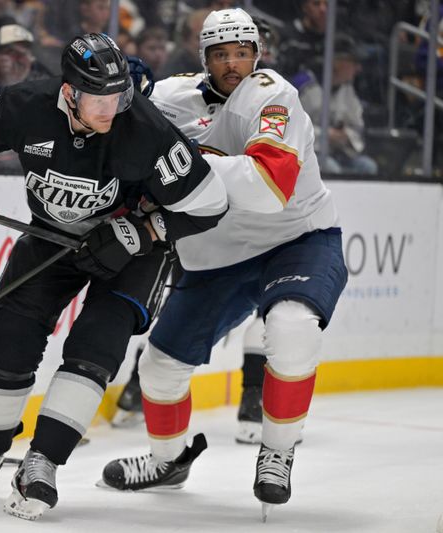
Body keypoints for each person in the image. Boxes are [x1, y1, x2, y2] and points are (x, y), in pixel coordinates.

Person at [0, 32, 228, 521]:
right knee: (13, 334)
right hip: (51, 235)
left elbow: (210, 204)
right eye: (100, 99)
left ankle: (42, 463)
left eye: (120, 96)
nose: (113, 109)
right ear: (69, 92)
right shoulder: (25, 105)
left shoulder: (146, 130)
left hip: (133, 249)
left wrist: (144, 230)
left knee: (95, 345)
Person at [99, 8, 347, 520]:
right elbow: (113, 137)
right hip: (215, 256)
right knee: (159, 369)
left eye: (242, 53)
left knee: (292, 327)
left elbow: (269, 187)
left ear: (258, 55)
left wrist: (179, 166)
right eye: (220, 54)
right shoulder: (170, 98)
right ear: (203, 58)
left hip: (296, 238)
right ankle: (168, 462)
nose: (233, 64)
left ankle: (277, 452)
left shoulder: (275, 96)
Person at [295, 33, 378, 175]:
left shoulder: (347, 88)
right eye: (354, 62)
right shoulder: (303, 85)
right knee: (332, 169)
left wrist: (346, 135)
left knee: (368, 167)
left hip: (339, 153)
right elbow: (293, 128)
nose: (358, 68)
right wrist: (326, 135)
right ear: (337, 62)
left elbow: (357, 125)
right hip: (307, 154)